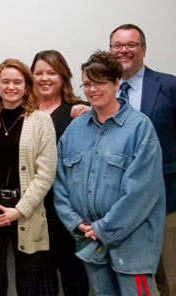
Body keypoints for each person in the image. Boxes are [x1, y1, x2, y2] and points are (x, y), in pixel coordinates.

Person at [54, 50, 165, 296]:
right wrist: (75, 222)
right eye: (88, 83)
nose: (93, 89)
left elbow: (141, 193)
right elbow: (60, 182)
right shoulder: (75, 129)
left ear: (116, 83)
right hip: (90, 243)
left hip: (132, 246)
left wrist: (104, 227)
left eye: (100, 82)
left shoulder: (140, 128)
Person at [0, 58, 56, 296]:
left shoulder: (41, 121)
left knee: (29, 283)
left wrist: (19, 210)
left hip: (27, 210)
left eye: (18, 82)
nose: (11, 87)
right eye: (5, 81)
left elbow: (45, 174)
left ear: (27, 86)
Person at [109, 24, 176, 296]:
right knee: (131, 279)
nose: (123, 50)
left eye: (131, 44)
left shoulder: (170, 85)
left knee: (169, 277)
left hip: (167, 201)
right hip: (119, 203)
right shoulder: (103, 89)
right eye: (117, 45)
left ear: (143, 49)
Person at [30, 50, 89, 296]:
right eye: (39, 73)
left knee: (73, 272)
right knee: (42, 275)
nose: (45, 78)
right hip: (33, 207)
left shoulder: (78, 112)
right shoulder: (23, 113)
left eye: (51, 73)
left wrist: (89, 111)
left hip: (68, 208)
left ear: (63, 76)